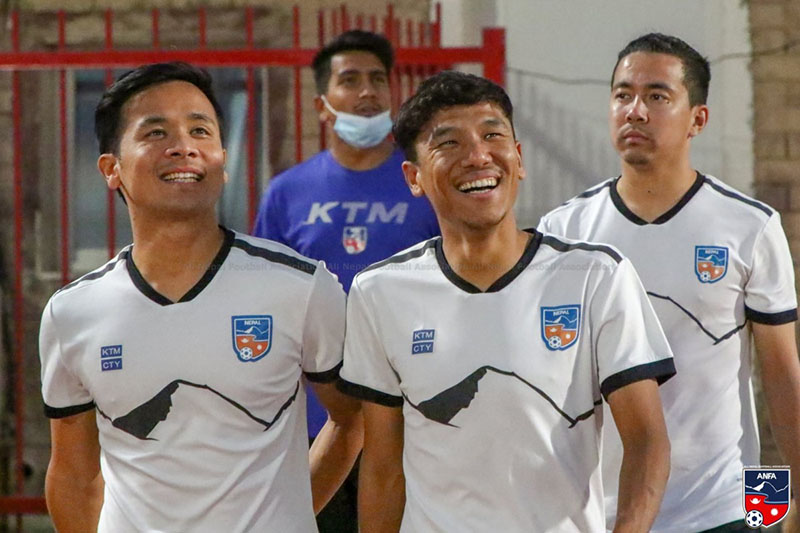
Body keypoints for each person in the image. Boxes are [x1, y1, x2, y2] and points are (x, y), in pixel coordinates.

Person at [340, 70, 675, 532]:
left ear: (518, 159)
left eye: (492, 135)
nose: (478, 156)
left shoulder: (595, 276)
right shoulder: (379, 291)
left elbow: (646, 441)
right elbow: (382, 466)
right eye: (449, 143)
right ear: (414, 177)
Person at [39, 62, 362, 533]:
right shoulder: (71, 313)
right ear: (112, 168)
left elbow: (352, 420)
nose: (184, 146)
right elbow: (72, 473)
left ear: (222, 160)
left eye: (200, 130)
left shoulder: (299, 285)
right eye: (156, 131)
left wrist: (290, 513)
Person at [539, 33, 800, 532]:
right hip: (600, 511)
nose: (635, 110)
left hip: (722, 508)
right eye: (622, 94)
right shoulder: (563, 231)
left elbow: (782, 379)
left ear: (697, 119)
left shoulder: (750, 226)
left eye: (657, 96)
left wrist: (787, 506)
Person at [252, 30, 439, 531]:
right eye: (350, 79)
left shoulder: (424, 182)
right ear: (322, 104)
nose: (367, 92)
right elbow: (263, 299)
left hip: (414, 418)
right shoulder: (287, 193)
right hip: (320, 424)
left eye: (378, 79)